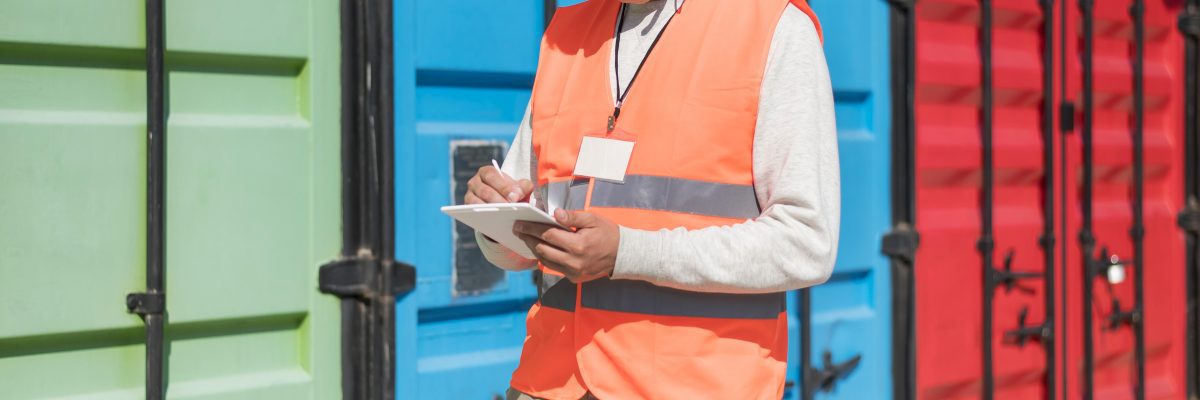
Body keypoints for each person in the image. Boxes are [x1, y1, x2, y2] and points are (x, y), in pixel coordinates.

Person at [464, 0, 838, 398]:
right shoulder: (565, 36)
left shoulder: (771, 26)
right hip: (550, 383)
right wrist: (496, 218)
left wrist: (629, 253)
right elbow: (519, 241)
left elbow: (807, 242)